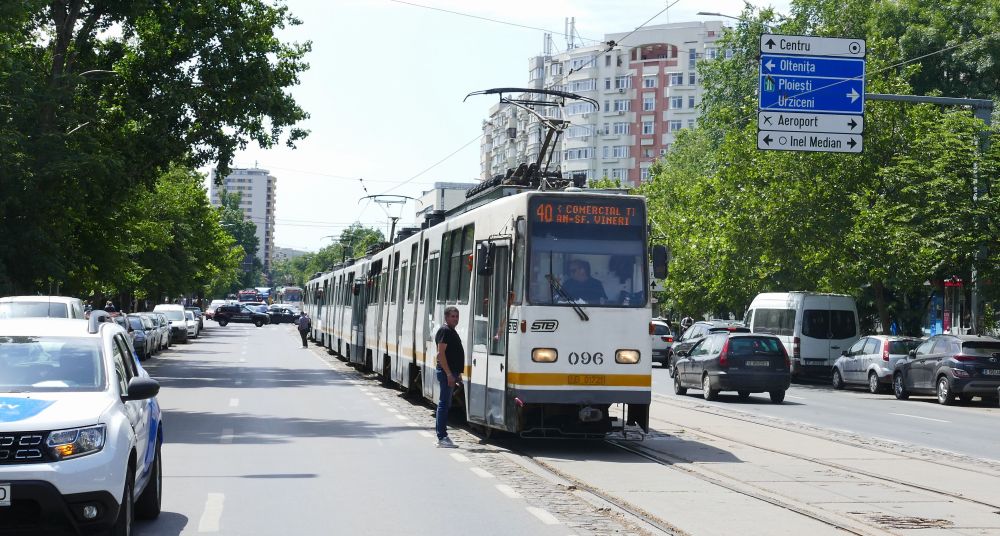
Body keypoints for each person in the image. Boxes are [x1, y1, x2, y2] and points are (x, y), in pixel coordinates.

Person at [434, 306, 464, 448]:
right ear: (446, 317)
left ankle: (442, 436)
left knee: (446, 404)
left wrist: (457, 373)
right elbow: (441, 354)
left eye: (457, 316)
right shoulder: (445, 331)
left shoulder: (451, 331)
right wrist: (449, 374)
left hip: (452, 372)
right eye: (452, 316)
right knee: (444, 404)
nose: (455, 319)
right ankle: (442, 437)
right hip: (447, 373)